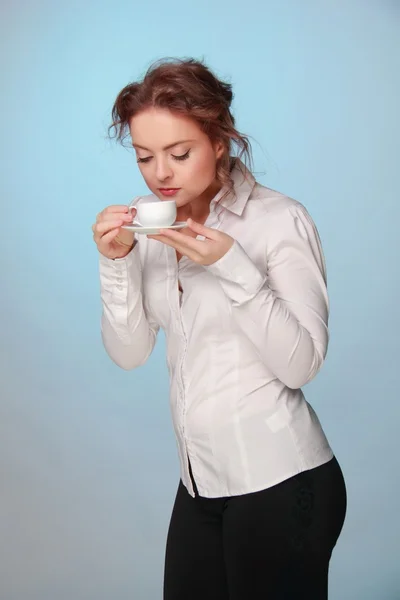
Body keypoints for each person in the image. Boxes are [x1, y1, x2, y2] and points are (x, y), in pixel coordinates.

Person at [92, 58, 347, 600]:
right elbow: (129, 352)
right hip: (199, 484)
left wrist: (233, 267)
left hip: (284, 484)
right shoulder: (151, 221)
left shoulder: (279, 221)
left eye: (179, 154)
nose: (161, 173)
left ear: (220, 141)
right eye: (144, 157)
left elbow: (302, 365)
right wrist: (114, 263)